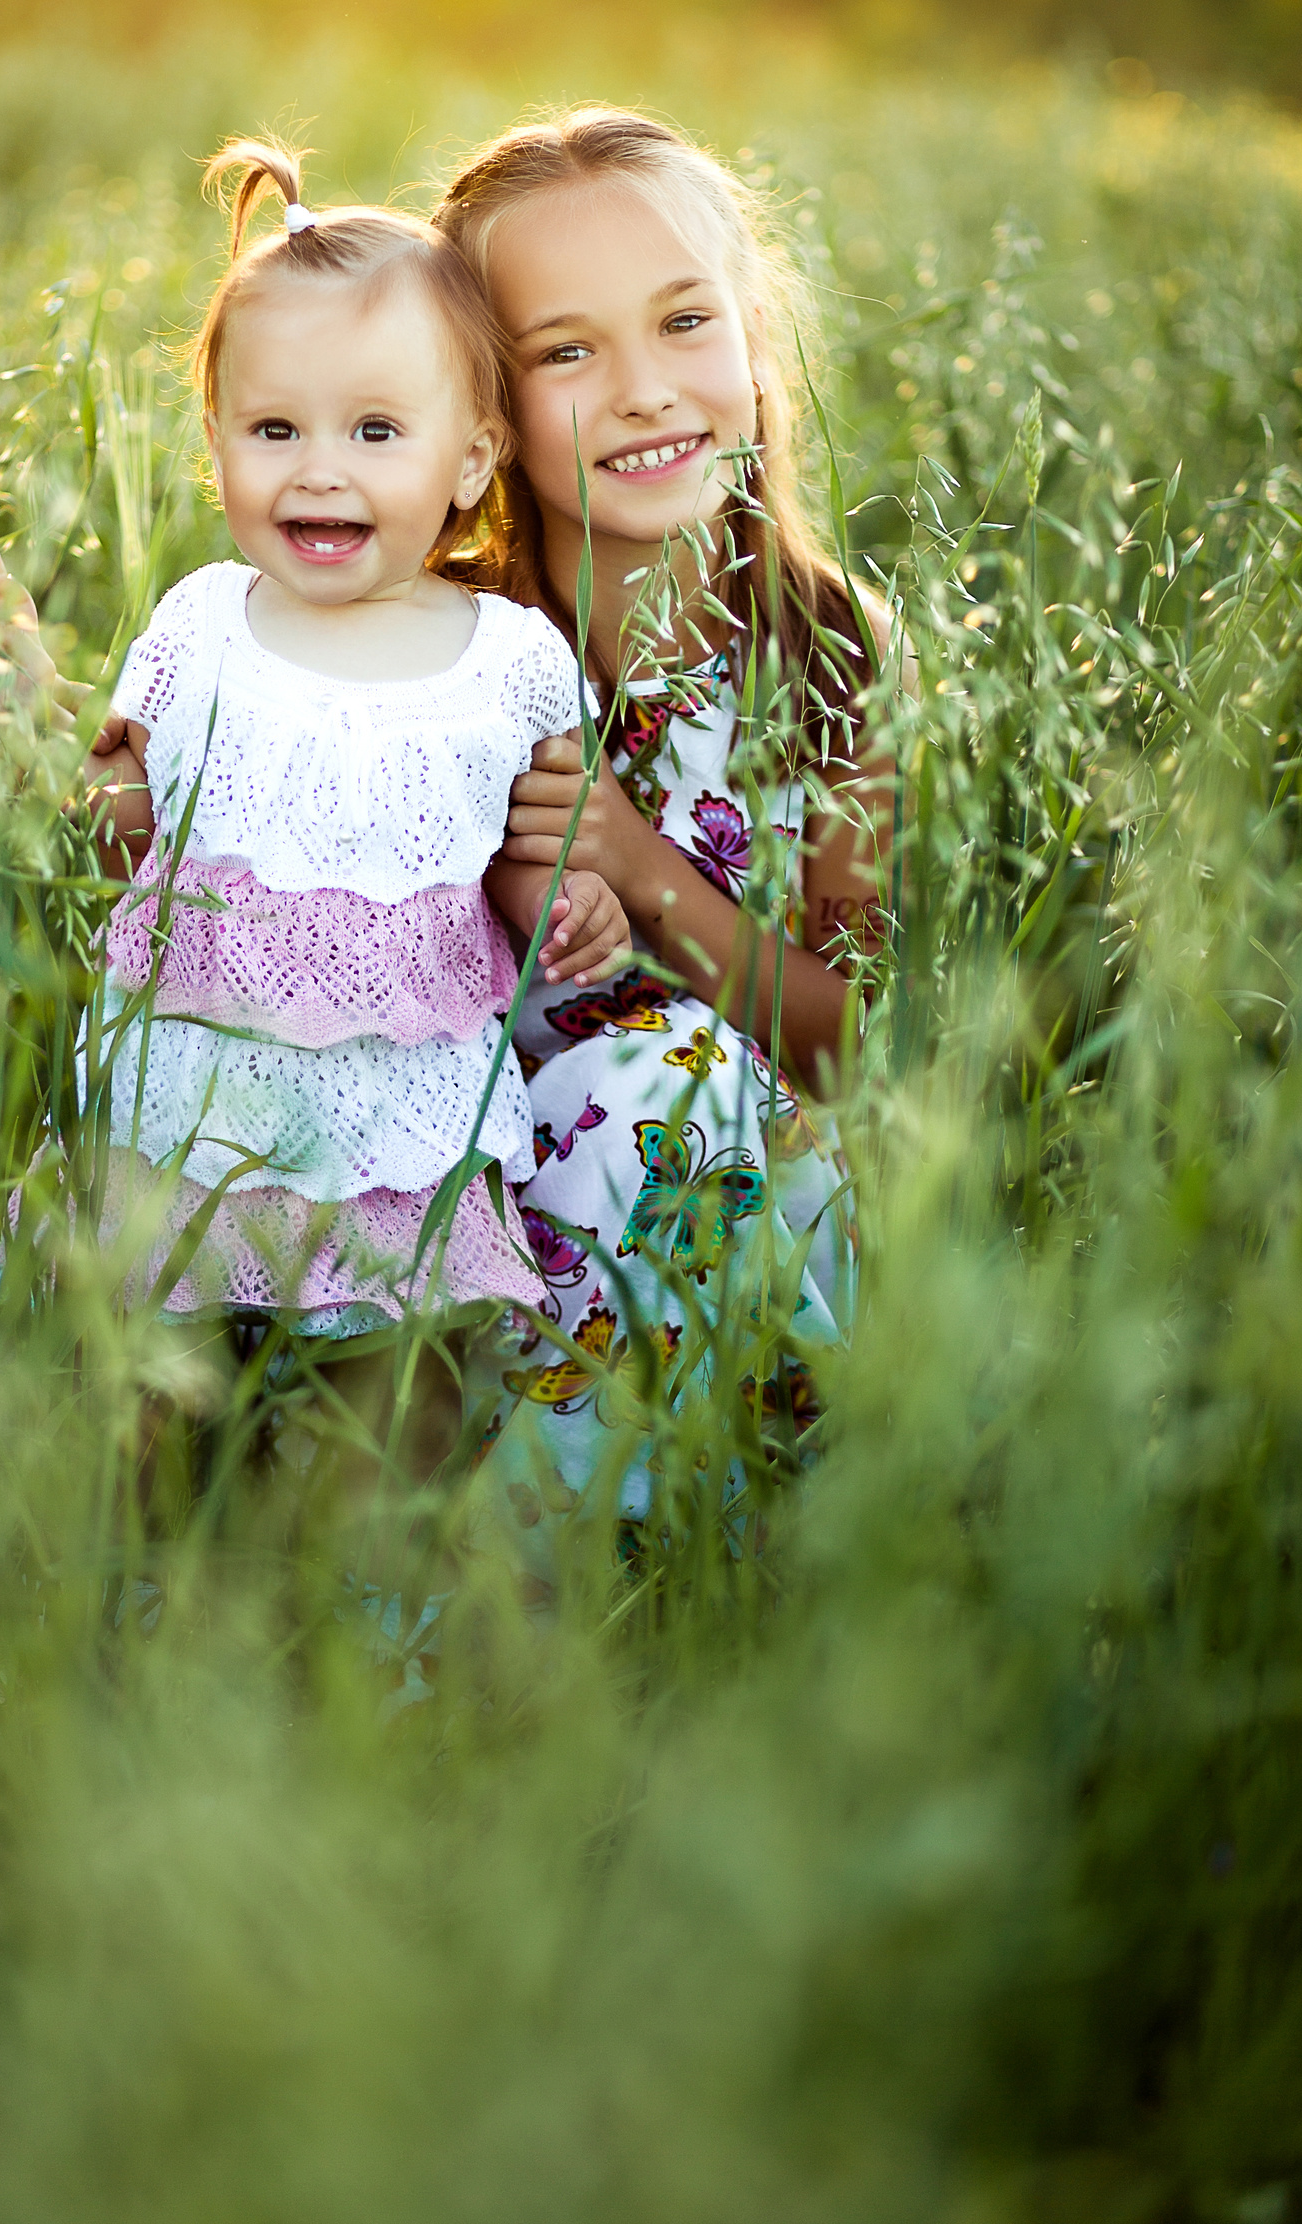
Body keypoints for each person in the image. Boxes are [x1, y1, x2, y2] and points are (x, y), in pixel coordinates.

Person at [0, 138, 628, 1508]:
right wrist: (49, 734)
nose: (319, 473)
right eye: (274, 431)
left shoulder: (509, 659)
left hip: (402, 1108)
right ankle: (146, 1571)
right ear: (218, 439)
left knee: (411, 1375)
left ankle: (343, 1577)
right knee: (152, 1371)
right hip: (197, 1097)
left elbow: (536, 859)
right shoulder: (202, 627)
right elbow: (126, 826)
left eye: (374, 432)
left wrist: (578, 908)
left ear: (471, 460)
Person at [429, 107, 899, 1548]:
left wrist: (646, 875)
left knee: (655, 1087)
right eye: (567, 351)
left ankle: (614, 1558)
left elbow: (845, 1042)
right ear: (484, 408)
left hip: (736, 1208)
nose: (644, 390)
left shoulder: (831, 651)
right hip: (486, 1203)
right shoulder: (447, 642)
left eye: (685, 321)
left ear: (755, 332)